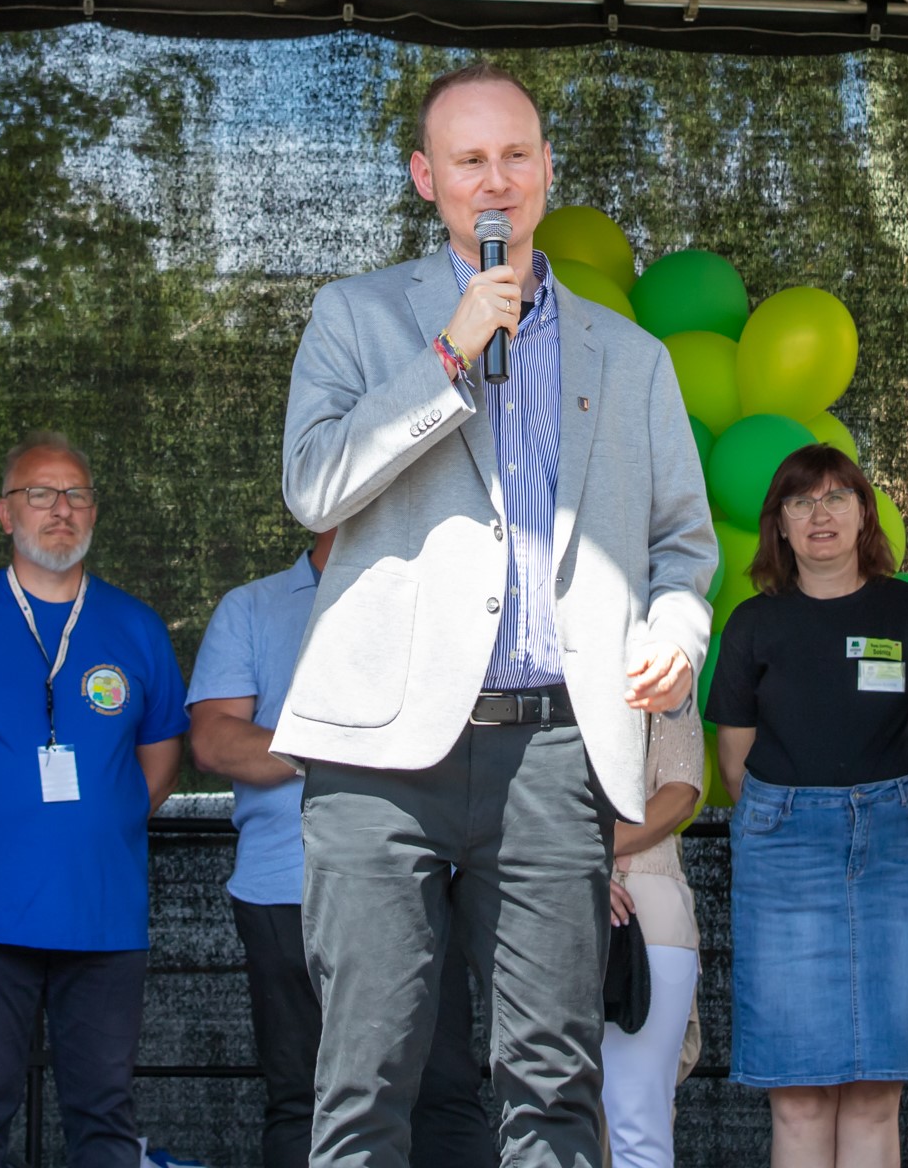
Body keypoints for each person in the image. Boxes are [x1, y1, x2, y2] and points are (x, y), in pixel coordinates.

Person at [273, 60, 717, 1168]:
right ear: (428, 178)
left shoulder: (632, 355)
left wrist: (677, 624)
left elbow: (683, 541)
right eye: (469, 159)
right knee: (366, 1075)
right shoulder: (359, 315)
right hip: (380, 755)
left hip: (556, 750)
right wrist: (451, 351)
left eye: (517, 154)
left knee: (553, 1080)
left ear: (547, 169)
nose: (496, 180)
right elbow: (315, 486)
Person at [0, 431, 188, 1168]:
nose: (60, 509)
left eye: (76, 493)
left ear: (94, 511)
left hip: (104, 918)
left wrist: (94, 831)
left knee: (105, 1116)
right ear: (5, 513)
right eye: (40, 493)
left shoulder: (138, 627)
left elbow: (160, 764)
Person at [186, 530, 490, 1168]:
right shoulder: (253, 606)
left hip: (422, 886)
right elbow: (214, 742)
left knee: (443, 1094)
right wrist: (343, 746)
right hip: (283, 889)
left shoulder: (445, 604)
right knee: (306, 1100)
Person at [709, 445, 908, 1168]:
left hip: (896, 845)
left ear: (864, 513)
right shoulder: (752, 623)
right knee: (800, 1094)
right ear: (778, 523)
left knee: (877, 1092)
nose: (820, 514)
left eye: (838, 497)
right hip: (783, 851)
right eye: (802, 501)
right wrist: (796, 819)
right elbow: (735, 763)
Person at [599, 708, 705, 1168]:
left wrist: (582, 855)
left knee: (635, 1129)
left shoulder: (662, 672)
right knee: (631, 1131)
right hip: (556, 901)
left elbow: (681, 793)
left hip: (638, 910)